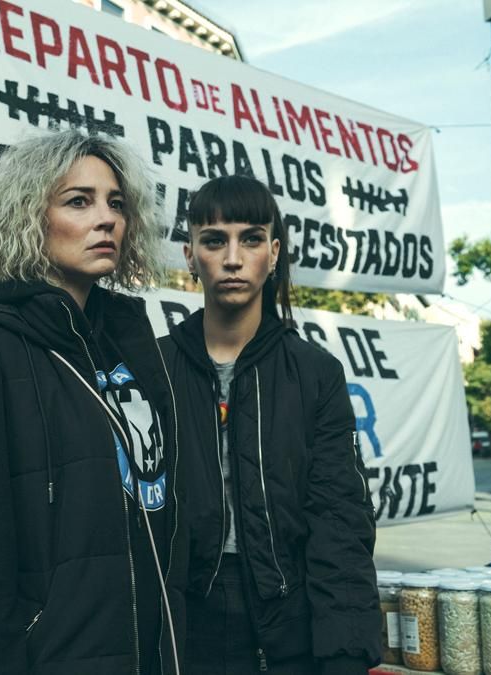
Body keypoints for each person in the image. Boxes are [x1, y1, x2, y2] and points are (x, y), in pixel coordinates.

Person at [0, 129, 180, 674]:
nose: (105, 218)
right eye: (78, 201)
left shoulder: (125, 340)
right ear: (28, 216)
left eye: (116, 203)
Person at [158, 174, 379, 674]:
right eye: (214, 240)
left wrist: (344, 653)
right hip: (183, 628)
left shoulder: (315, 373)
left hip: (288, 627)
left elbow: (339, 518)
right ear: (191, 255)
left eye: (251, 239)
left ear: (274, 252)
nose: (233, 258)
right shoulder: (155, 369)